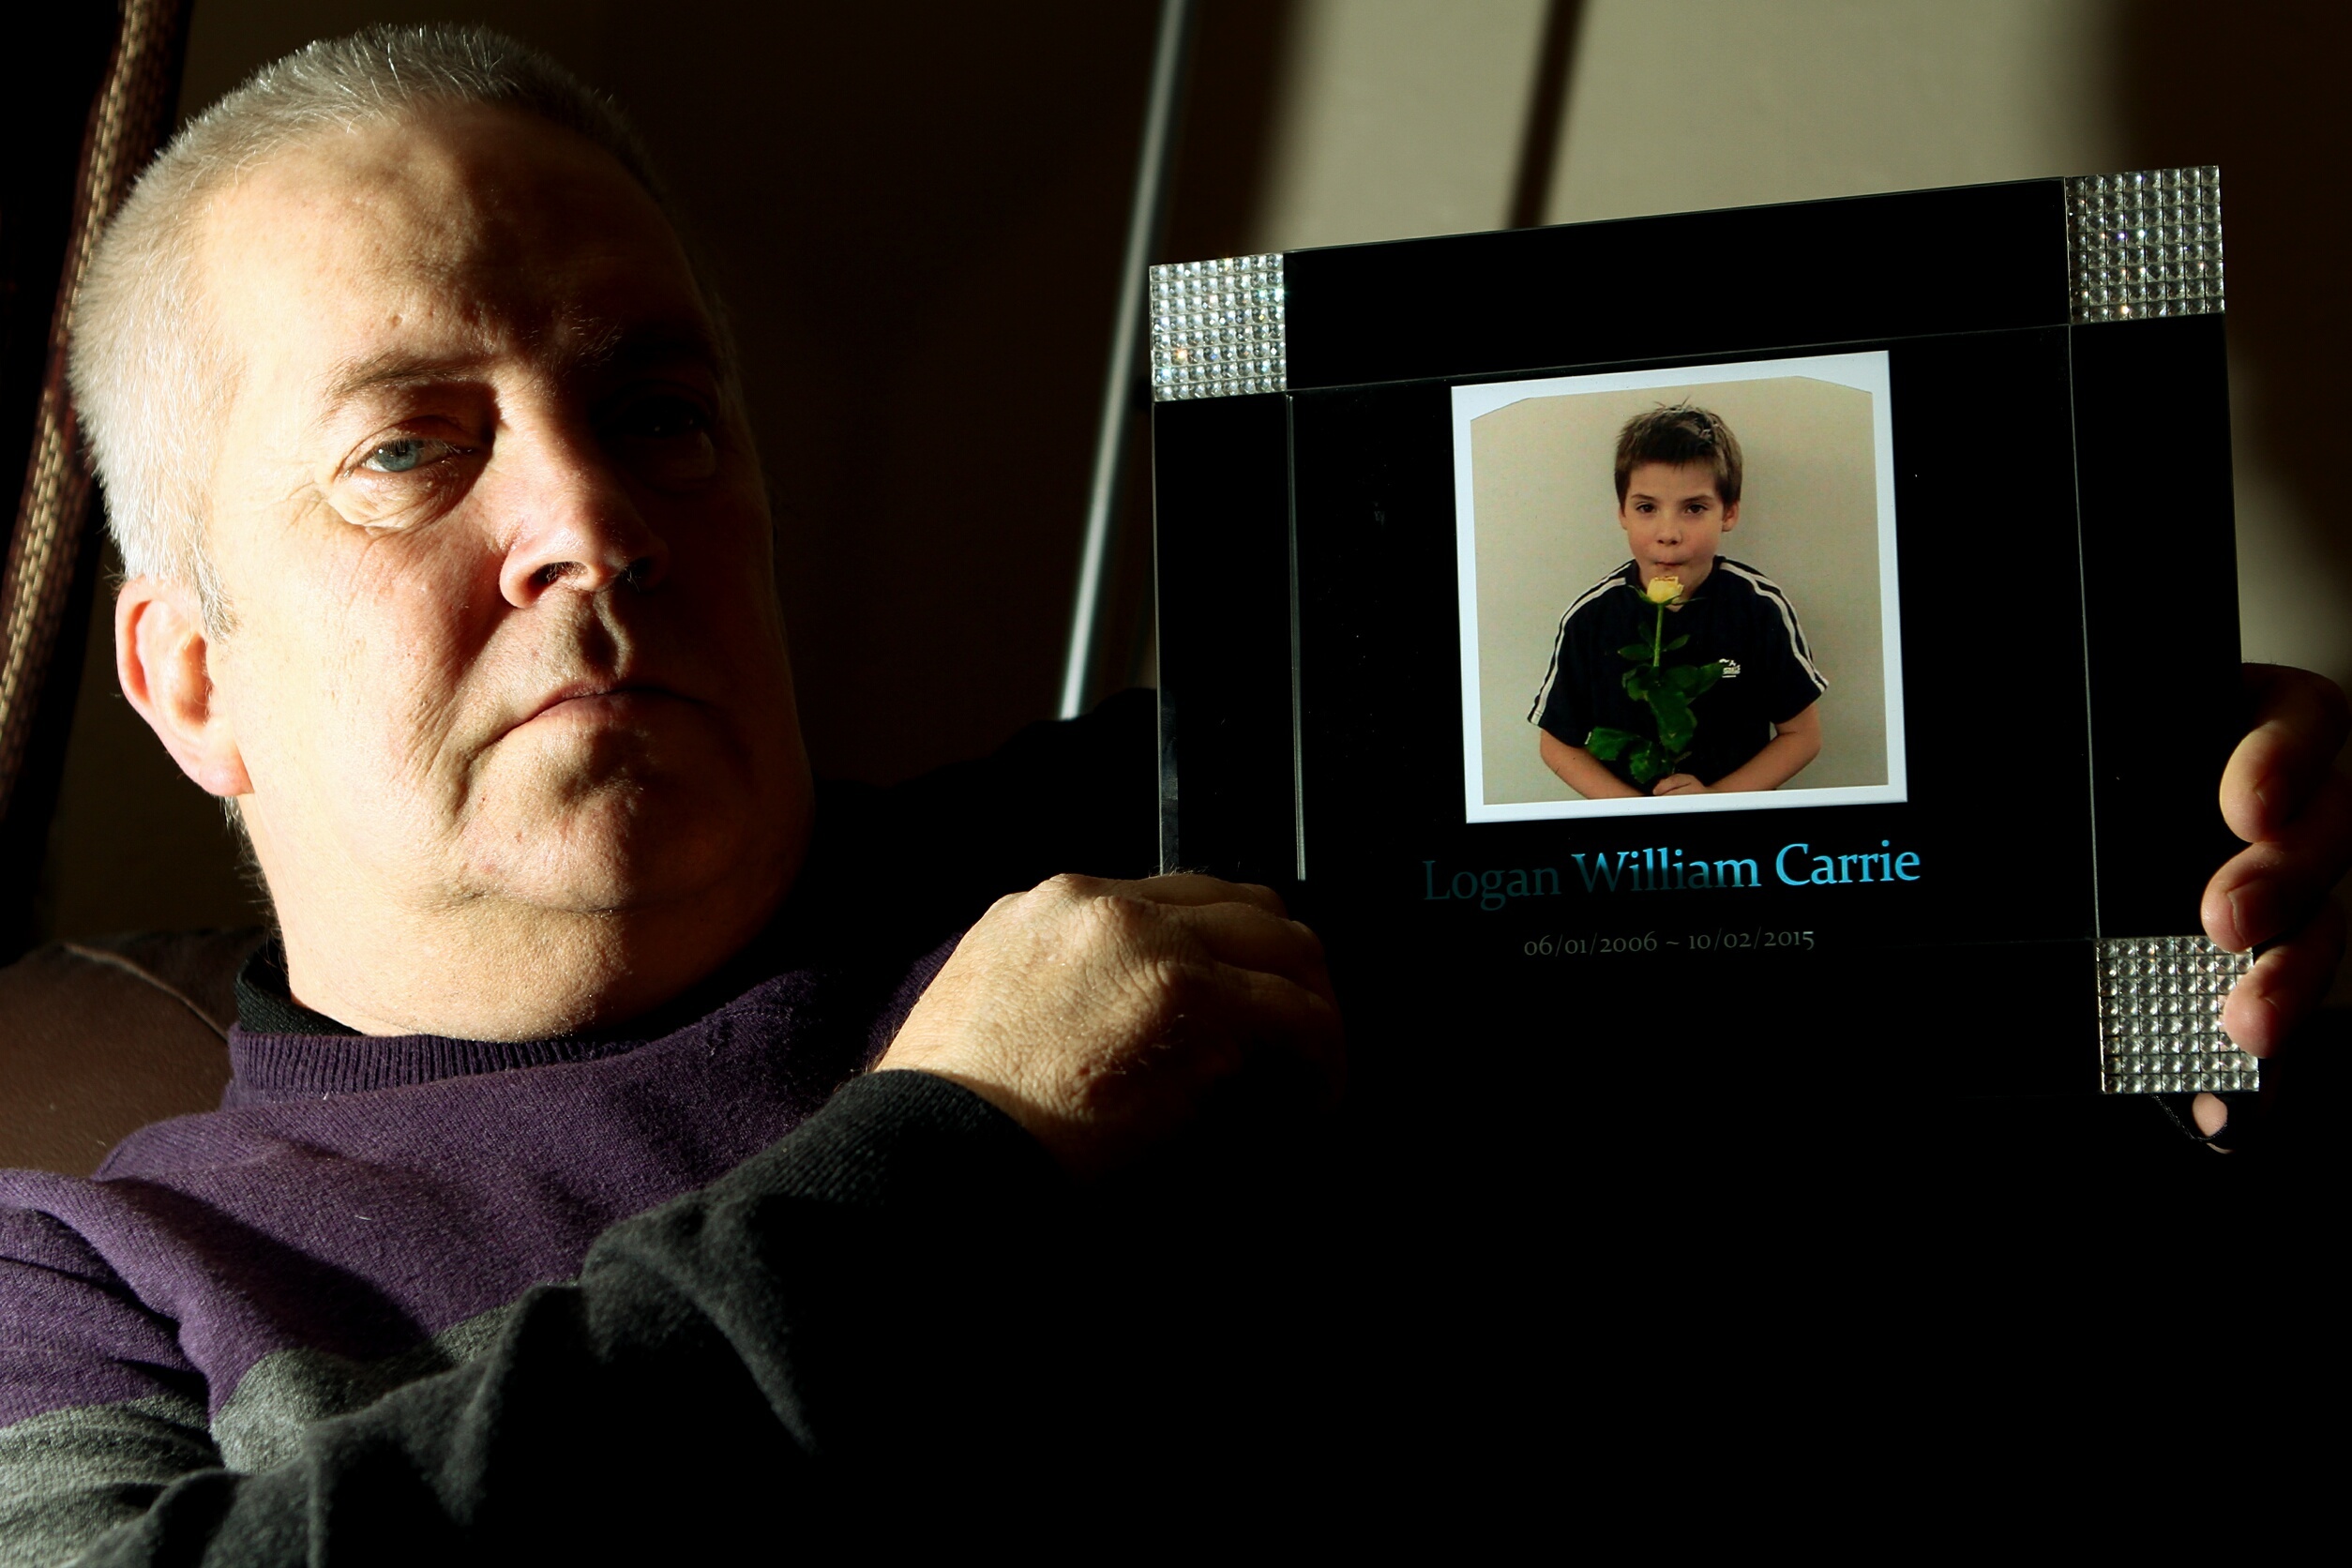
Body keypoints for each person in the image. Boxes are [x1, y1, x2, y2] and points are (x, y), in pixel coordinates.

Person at [0, 24, 2342, 1563]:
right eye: (415, 444)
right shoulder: (88, 1272)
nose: (595, 523)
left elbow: (1913, 1213)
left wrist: (2213, 995)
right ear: (184, 670)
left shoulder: (1215, 832)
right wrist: (938, 1172)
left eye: (659, 408)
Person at [1531, 403, 1825, 799]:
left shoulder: (1759, 608)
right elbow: (1556, 742)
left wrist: (1715, 800)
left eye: (1694, 508)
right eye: (1647, 508)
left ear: (1729, 512)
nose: (1668, 533)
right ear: (1623, 512)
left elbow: (1802, 736)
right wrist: (1632, 810)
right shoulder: (1590, 618)